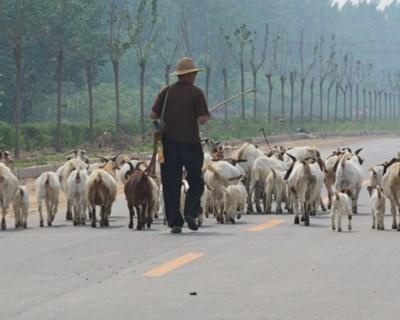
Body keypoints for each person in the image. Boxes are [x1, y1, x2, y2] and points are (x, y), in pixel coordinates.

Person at [149, 57, 210, 234]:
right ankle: (191, 211)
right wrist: (207, 115)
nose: (195, 76)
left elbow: (153, 115)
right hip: (191, 145)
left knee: (170, 184)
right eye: (194, 74)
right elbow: (202, 120)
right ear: (190, 75)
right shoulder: (196, 93)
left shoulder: (166, 92)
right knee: (196, 180)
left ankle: (175, 222)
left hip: (168, 146)